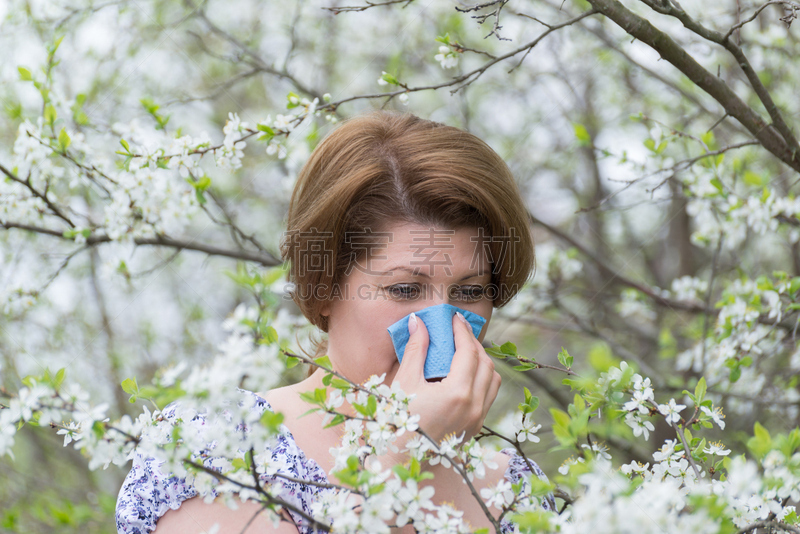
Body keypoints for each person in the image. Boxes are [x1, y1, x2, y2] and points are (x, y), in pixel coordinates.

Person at [115, 111, 553, 533]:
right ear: (324, 288)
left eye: (470, 292)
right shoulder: (221, 446)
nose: (439, 328)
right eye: (404, 290)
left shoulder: (516, 489)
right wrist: (402, 454)